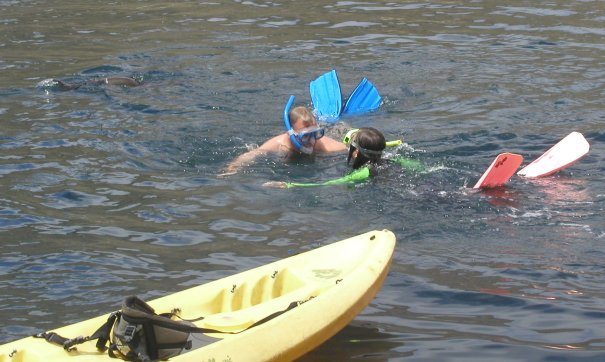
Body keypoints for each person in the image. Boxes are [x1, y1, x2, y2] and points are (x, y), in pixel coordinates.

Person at [220, 96, 347, 176]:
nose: (312, 141)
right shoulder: (280, 143)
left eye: (316, 134)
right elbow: (253, 154)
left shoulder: (322, 143)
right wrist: (232, 169)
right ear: (290, 133)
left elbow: (347, 149)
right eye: (306, 136)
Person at [263, 127, 423, 188]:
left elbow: (328, 183)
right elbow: (420, 168)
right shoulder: (395, 160)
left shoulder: (364, 172)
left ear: (355, 152)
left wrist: (290, 184)